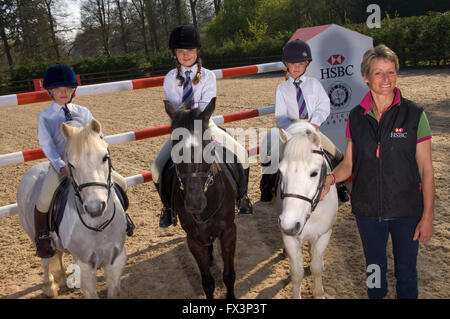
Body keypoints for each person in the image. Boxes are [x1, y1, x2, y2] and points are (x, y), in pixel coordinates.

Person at [321, 44, 435, 299]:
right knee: (374, 271)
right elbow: (349, 165)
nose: (386, 80)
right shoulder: (355, 117)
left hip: (407, 210)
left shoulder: (415, 115)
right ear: (365, 77)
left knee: (406, 273)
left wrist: (427, 216)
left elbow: (426, 170)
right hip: (367, 211)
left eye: (391, 72)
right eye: (379, 73)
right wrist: (329, 179)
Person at [151, 25, 253, 228]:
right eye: (181, 51)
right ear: (175, 54)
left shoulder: (208, 76)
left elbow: (206, 107)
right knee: (156, 168)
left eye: (189, 51)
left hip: (206, 125)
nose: (185, 55)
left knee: (241, 154)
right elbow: (175, 107)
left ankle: (242, 197)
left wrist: (196, 122)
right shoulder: (170, 78)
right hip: (182, 129)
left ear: (197, 51)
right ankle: (167, 209)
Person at [35, 63, 131, 259]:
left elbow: (98, 137)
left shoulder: (83, 112)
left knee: (120, 182)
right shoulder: (45, 117)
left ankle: (124, 219)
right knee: (44, 198)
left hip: (88, 163)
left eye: (68, 88)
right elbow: (47, 146)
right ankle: (43, 237)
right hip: (62, 163)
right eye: (58, 89)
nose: (64, 92)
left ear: (74, 90)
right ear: (50, 91)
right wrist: (60, 166)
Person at [259, 39, 349, 202]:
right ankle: (266, 184)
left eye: (301, 64)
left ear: (307, 63)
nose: (297, 67)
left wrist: (313, 124)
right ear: (286, 64)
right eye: (293, 64)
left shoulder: (314, 84)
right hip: (291, 131)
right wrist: (296, 129)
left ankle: (341, 186)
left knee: (337, 154)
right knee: (271, 154)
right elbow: (281, 116)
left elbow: (324, 105)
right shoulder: (282, 89)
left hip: (313, 130)